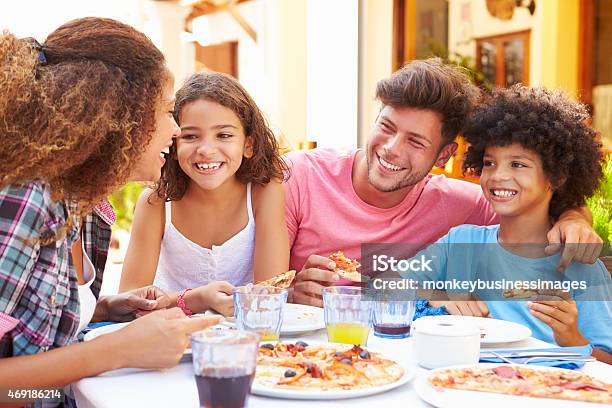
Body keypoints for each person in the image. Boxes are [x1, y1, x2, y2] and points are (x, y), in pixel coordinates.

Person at [0, 17, 222, 389]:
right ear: (121, 119)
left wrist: (106, 310)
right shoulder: (27, 197)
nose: (176, 130)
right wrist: (116, 350)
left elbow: (34, 334)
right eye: (167, 111)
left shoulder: (84, 206)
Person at [285, 58, 603, 309]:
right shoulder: (300, 175)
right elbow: (258, 290)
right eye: (387, 126)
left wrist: (575, 217)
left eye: (416, 141)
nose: (392, 148)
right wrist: (290, 294)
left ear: (444, 156)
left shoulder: (463, 205)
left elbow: (538, 210)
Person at [401, 85, 611, 363]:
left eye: (518, 165)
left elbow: (607, 361)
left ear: (556, 177)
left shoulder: (580, 262)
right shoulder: (460, 242)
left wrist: (572, 338)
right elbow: (381, 288)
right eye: (489, 163)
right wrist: (435, 295)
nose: (498, 176)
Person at [119, 72, 290, 316]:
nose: (206, 150)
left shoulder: (264, 192)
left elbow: (269, 294)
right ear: (174, 145)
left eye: (224, 135)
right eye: (190, 136)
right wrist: (196, 300)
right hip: (170, 339)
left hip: (246, 338)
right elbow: (130, 303)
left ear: (248, 145)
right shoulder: (156, 203)